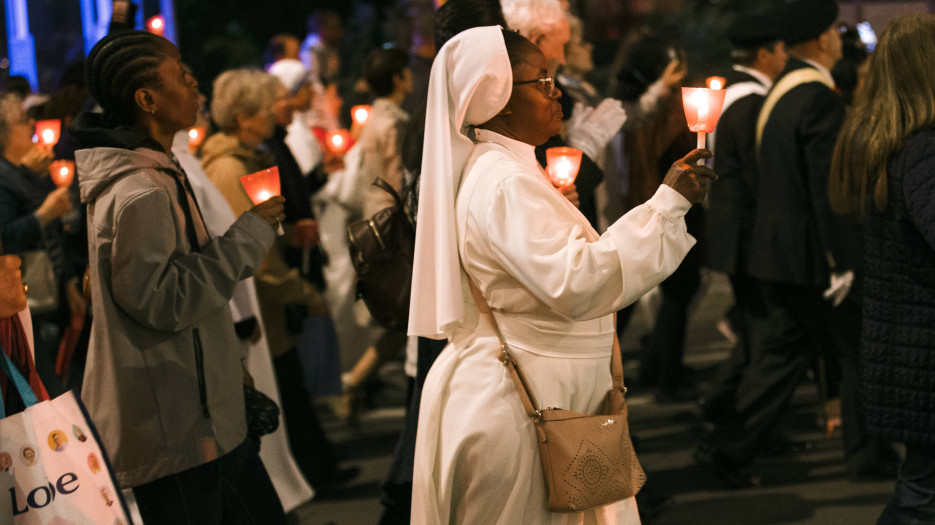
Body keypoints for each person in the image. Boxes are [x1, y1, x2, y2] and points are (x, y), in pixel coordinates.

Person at [409, 26, 713, 523]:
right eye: (543, 81)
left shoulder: (509, 170)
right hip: (521, 405)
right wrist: (666, 204)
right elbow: (580, 282)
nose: (559, 92)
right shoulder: (503, 181)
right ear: (499, 99)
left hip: (543, 391)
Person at [72, 30, 287, 524]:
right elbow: (164, 300)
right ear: (147, 99)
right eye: (182, 76)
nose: (196, 87)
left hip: (198, 413)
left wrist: (228, 370)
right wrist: (250, 234)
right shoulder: (140, 190)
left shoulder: (159, 173)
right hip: (177, 430)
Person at [696, 0, 895, 487]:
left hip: (778, 251)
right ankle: (865, 454)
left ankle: (728, 447)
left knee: (785, 356)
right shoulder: (817, 98)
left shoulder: (783, 95)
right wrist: (842, 261)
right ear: (823, 39)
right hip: (810, 256)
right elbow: (825, 192)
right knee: (853, 351)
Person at [201, 68, 357, 490]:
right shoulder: (232, 167)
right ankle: (305, 480)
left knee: (293, 391)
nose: (272, 115)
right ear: (241, 118)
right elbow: (254, 252)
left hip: (269, 308)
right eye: (262, 109)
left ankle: (313, 473)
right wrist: (301, 291)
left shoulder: (249, 159)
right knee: (284, 393)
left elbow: (266, 236)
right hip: (259, 312)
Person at [828, 14, 935, 524]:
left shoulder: (883, 138)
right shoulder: (924, 146)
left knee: (921, 486)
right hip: (923, 346)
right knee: (920, 496)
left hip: (907, 344)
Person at [700, 14, 789, 423]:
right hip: (746, 233)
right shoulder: (752, 101)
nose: (785, 57)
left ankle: (724, 410)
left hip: (731, 228)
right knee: (765, 333)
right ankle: (733, 418)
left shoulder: (730, 93)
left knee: (759, 331)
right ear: (765, 53)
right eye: (781, 50)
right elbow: (759, 175)